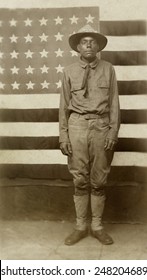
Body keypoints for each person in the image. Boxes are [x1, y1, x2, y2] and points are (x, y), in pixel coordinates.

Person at [59, 24, 120, 246]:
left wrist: (113, 130)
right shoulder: (68, 71)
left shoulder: (108, 68)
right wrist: (63, 136)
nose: (88, 44)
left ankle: (97, 226)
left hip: (102, 126)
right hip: (76, 126)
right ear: (77, 46)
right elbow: (64, 106)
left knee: (99, 179)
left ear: (98, 46)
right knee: (80, 178)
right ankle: (80, 226)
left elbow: (114, 103)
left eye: (92, 41)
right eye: (84, 41)